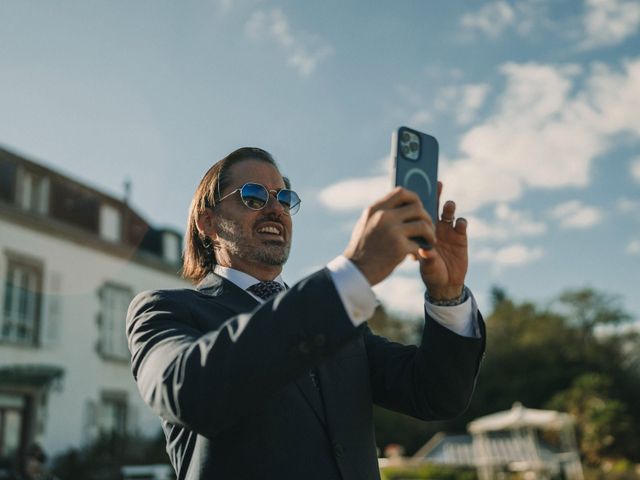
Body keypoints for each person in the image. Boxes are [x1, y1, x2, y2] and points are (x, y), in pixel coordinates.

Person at [126, 147, 485, 480]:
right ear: (208, 224)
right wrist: (355, 271)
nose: (275, 209)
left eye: (284, 198)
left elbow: (436, 395)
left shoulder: (340, 323)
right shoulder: (165, 310)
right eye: (253, 196)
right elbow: (188, 392)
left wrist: (447, 296)